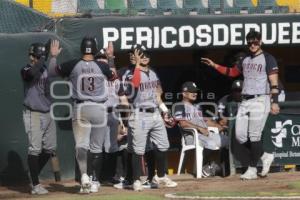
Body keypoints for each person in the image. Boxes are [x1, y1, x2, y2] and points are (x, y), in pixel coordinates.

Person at [201, 30, 280, 180]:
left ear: (260, 42)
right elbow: (232, 72)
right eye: (250, 42)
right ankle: (265, 156)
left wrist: (274, 101)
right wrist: (215, 65)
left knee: (254, 136)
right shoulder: (245, 59)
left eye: (255, 42)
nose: (252, 45)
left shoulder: (268, 58)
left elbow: (274, 82)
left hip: (260, 99)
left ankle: (252, 169)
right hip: (245, 100)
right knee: (240, 136)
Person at [48, 38, 117, 193]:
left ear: (81, 49)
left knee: (81, 145)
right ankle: (94, 180)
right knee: (96, 148)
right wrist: (110, 57)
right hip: (99, 108)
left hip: (81, 107)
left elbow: (51, 73)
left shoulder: (72, 64)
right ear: (95, 49)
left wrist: (53, 57)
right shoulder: (102, 65)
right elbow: (113, 76)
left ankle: (84, 175)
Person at [123, 44, 177, 191]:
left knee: (163, 145)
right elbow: (134, 84)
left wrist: (165, 110)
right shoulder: (131, 72)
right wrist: (138, 65)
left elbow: (158, 94)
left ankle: (160, 176)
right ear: (136, 57)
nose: (144, 57)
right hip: (140, 113)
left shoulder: (153, 72)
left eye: (146, 54)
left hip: (154, 113)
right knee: (138, 150)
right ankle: (136, 181)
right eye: (141, 54)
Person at [21, 42, 56, 195]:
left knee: (49, 149)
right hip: (33, 113)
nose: (33, 58)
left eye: (35, 56)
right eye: (35, 56)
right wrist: (43, 59)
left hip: (47, 113)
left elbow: (54, 73)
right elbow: (31, 75)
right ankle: (35, 185)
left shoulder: (45, 69)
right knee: (34, 149)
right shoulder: (26, 69)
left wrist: (53, 57)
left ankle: (32, 175)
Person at [173, 81, 229, 160]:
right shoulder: (179, 106)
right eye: (191, 91)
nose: (195, 93)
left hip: (206, 133)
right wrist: (199, 128)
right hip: (192, 136)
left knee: (227, 141)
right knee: (211, 144)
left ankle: (221, 167)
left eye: (195, 91)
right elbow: (183, 123)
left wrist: (219, 126)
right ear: (184, 93)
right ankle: (205, 166)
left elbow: (204, 121)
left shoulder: (197, 106)